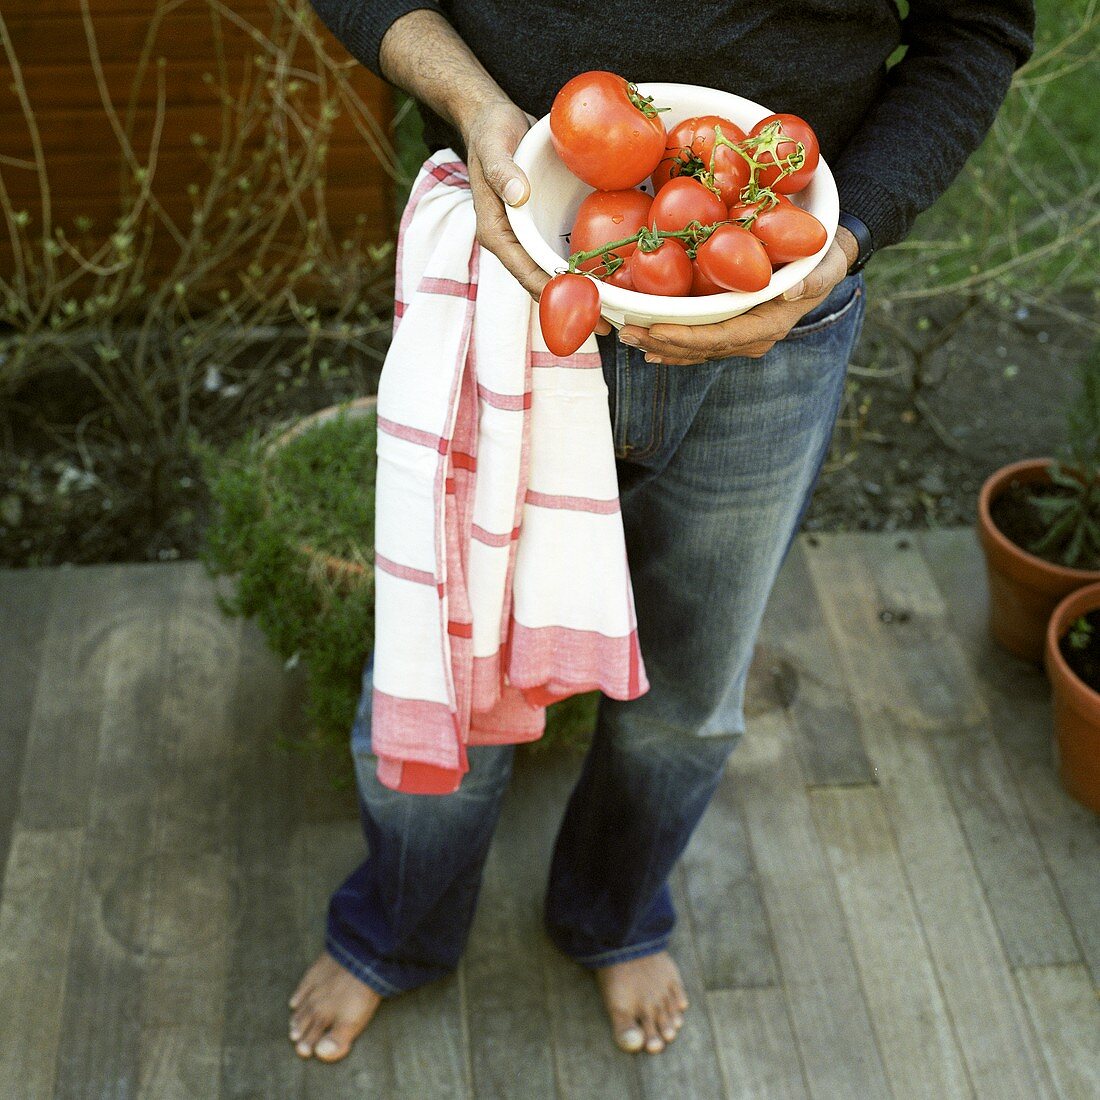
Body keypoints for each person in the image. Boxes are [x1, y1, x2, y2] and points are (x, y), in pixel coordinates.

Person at [288, 0, 1034, 1062]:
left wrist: (842, 232)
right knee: (442, 647)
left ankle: (610, 913)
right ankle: (396, 927)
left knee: (691, 684)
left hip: (776, 309)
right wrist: (472, 101)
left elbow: (976, 30)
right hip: (510, 278)